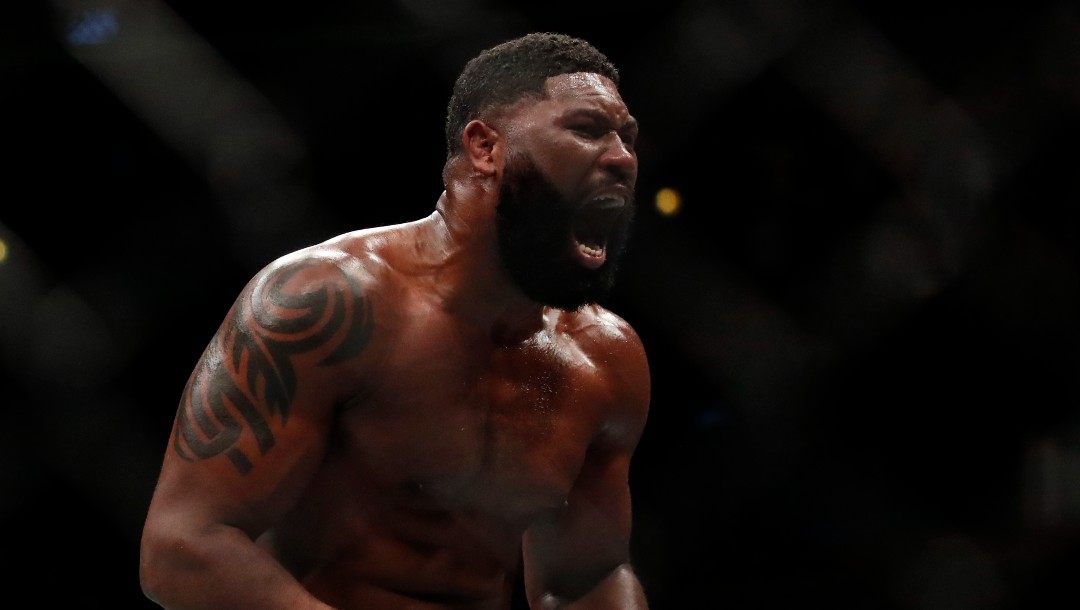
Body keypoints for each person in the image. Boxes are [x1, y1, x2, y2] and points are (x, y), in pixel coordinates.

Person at [140, 32, 650, 609]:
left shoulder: (605, 356)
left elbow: (589, 575)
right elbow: (182, 546)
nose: (621, 157)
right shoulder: (328, 301)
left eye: (628, 138)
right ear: (485, 147)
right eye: (587, 129)